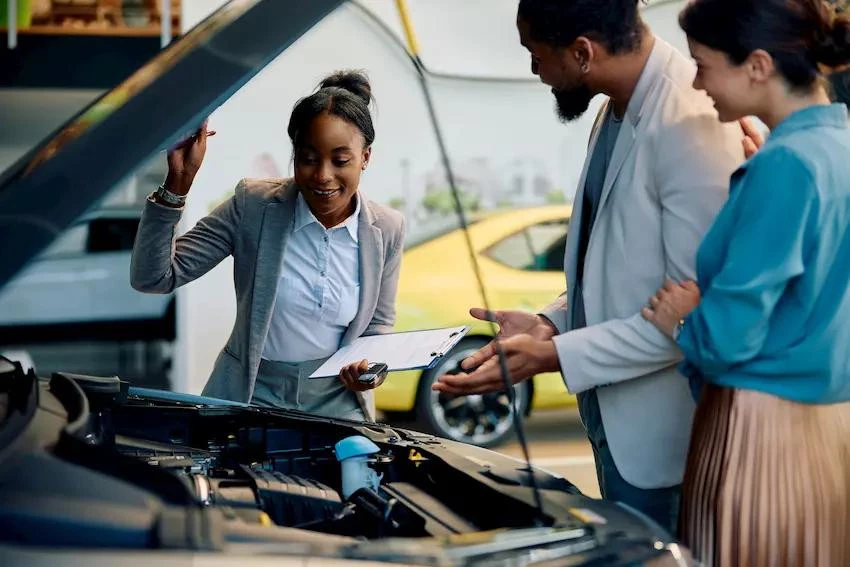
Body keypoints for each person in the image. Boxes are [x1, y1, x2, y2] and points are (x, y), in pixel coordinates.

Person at [433, 0, 744, 531]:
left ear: (582, 53)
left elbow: (693, 319)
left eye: (535, 53)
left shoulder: (691, 121)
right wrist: (552, 321)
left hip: (669, 445)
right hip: (616, 426)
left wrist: (552, 355)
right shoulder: (615, 106)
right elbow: (619, 268)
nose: (534, 69)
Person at [641, 0, 850, 563]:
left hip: (762, 430)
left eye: (704, 64)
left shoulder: (786, 166)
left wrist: (681, 316)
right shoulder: (835, 148)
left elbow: (729, 335)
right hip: (831, 428)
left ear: (758, 65)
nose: (697, 81)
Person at [131, 70, 405, 422]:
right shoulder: (254, 206)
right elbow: (154, 278)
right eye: (308, 159)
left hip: (338, 406)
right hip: (251, 396)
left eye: (340, 160)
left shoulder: (387, 228)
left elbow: (378, 327)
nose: (323, 175)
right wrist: (177, 185)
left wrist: (371, 372)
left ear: (365, 157)